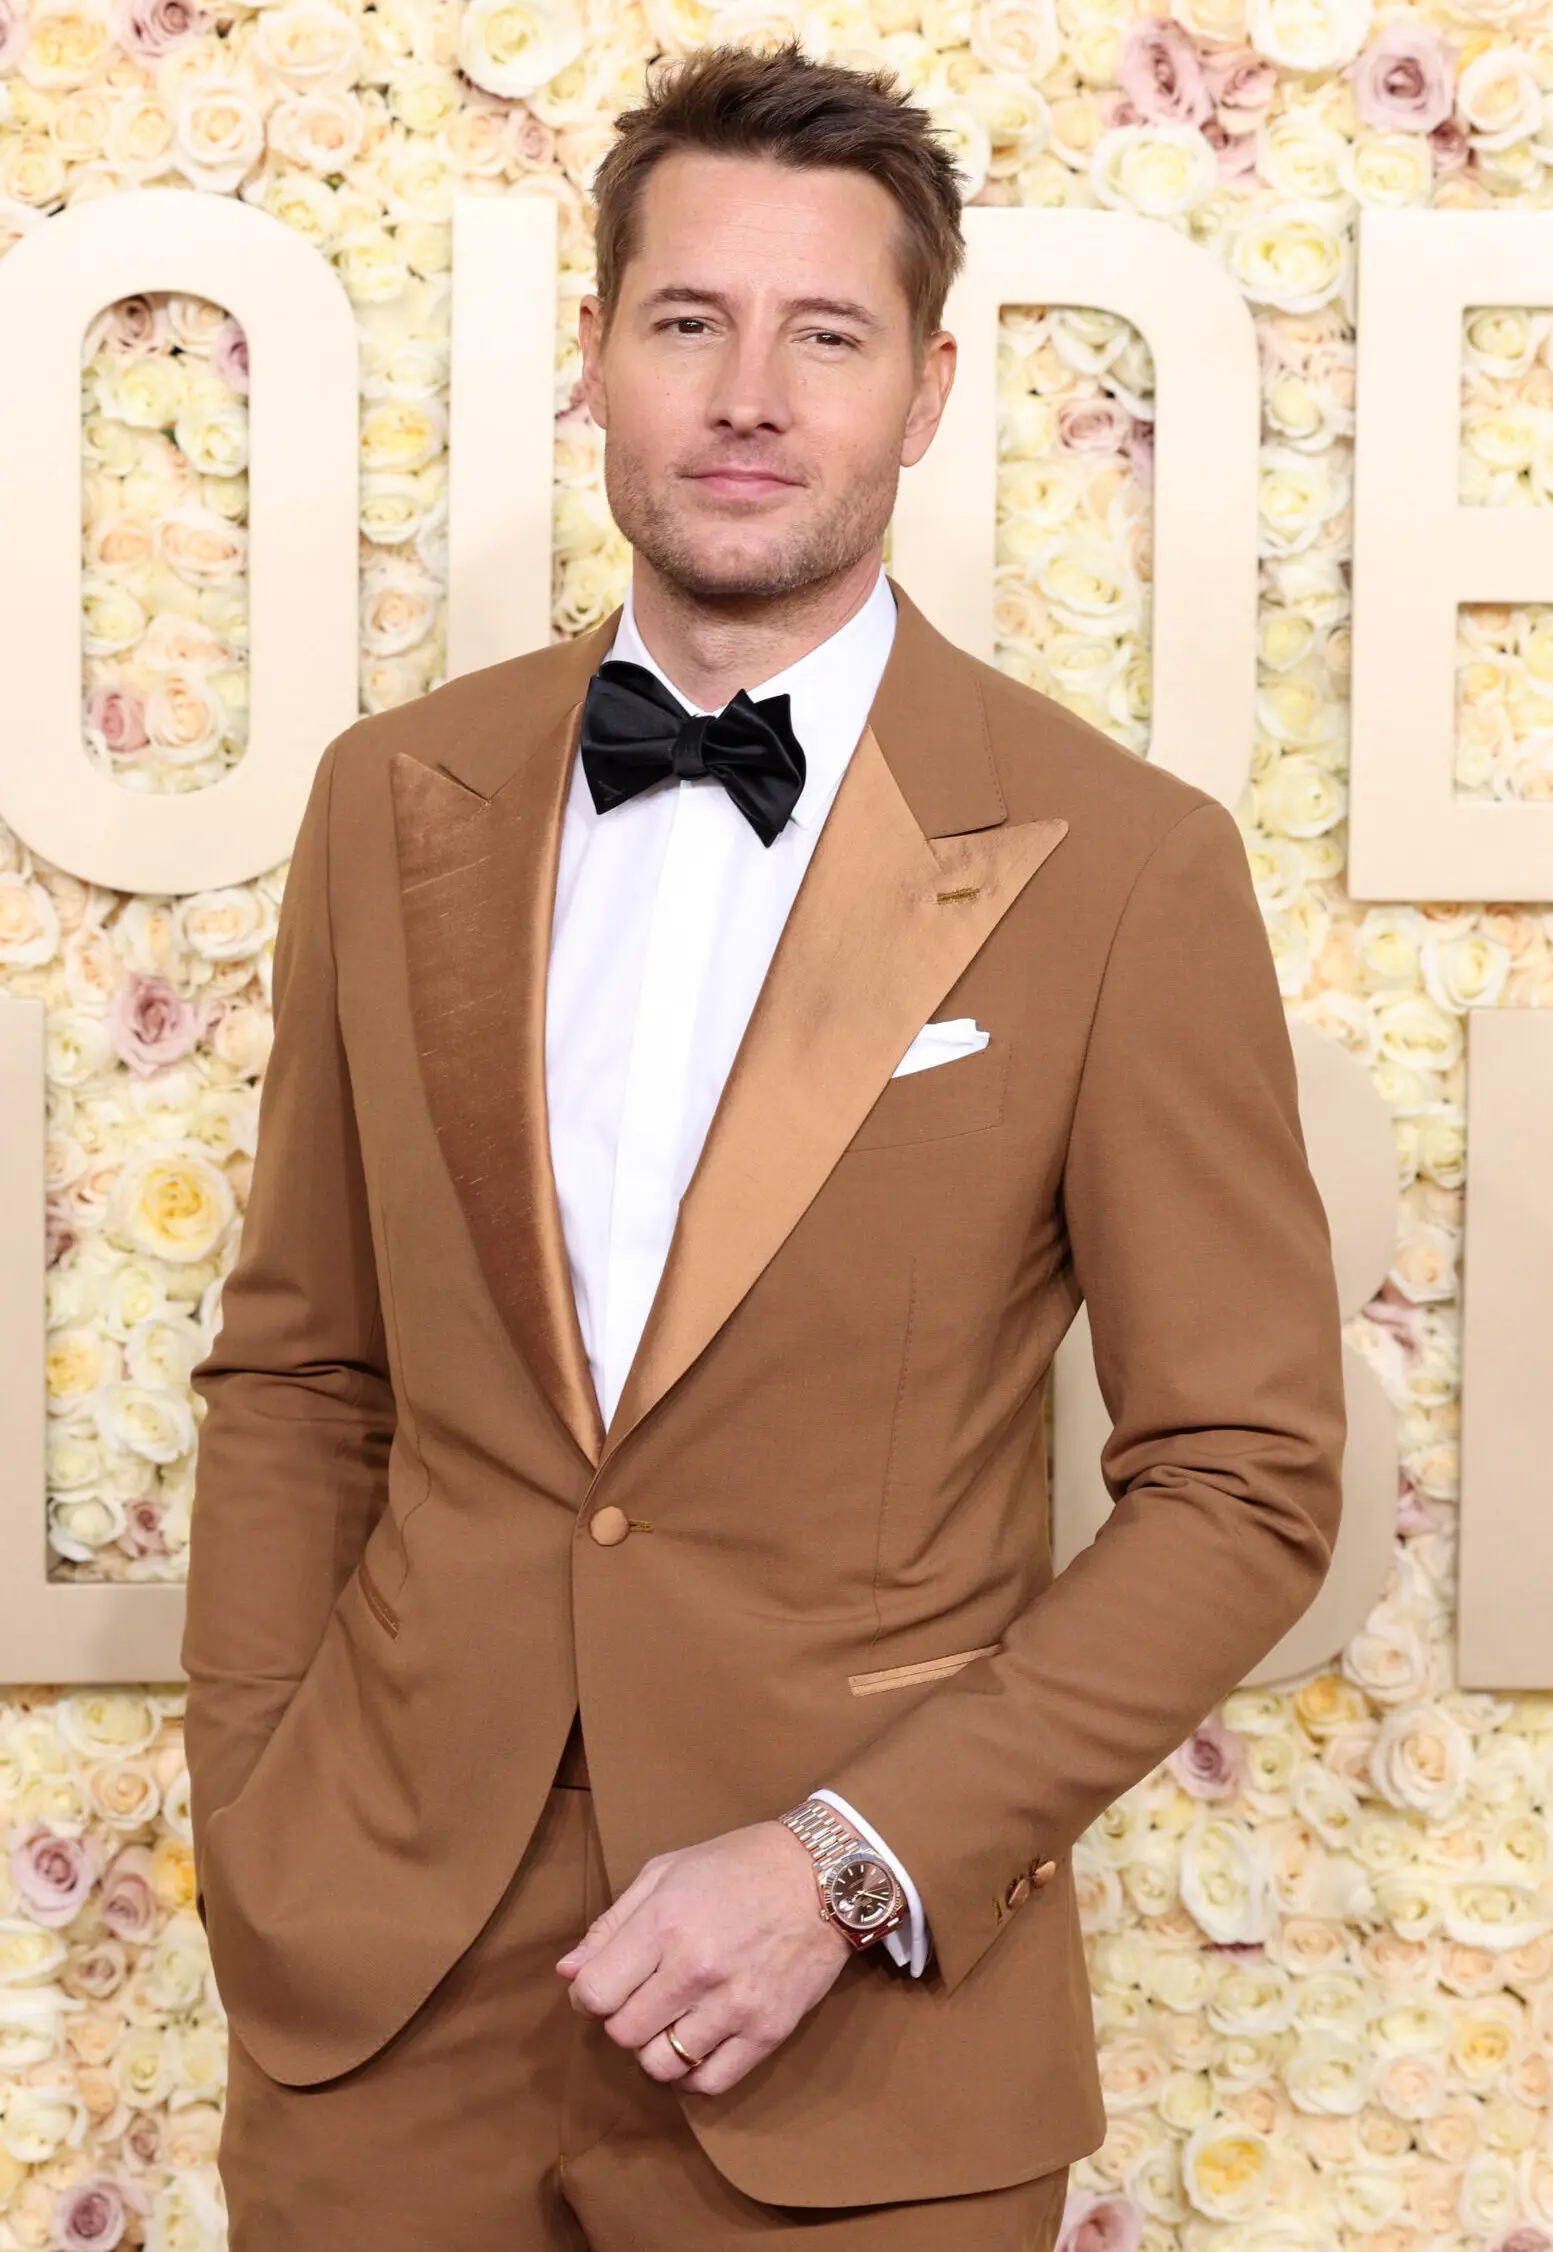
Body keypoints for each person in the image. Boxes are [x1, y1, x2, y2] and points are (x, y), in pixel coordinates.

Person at [180, 38, 1347, 2252]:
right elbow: (298, 1370)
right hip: (376, 2000)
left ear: (919, 393)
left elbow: (1244, 1475)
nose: (747, 392)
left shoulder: (1117, 862)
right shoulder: (389, 797)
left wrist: (849, 1856)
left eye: (824, 334)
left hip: (861, 2040)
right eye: (685, 319)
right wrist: (262, 1816)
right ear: (595, 357)